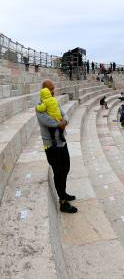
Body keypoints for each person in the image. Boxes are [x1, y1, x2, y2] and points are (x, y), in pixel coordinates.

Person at [36, 80, 77, 213]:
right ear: (45, 90)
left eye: (53, 88)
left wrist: (64, 121)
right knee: (58, 171)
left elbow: (64, 115)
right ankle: (63, 202)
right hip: (51, 146)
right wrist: (61, 122)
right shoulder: (40, 106)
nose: (53, 91)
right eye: (51, 89)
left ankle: (63, 193)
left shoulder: (54, 101)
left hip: (62, 142)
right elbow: (48, 121)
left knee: (66, 167)